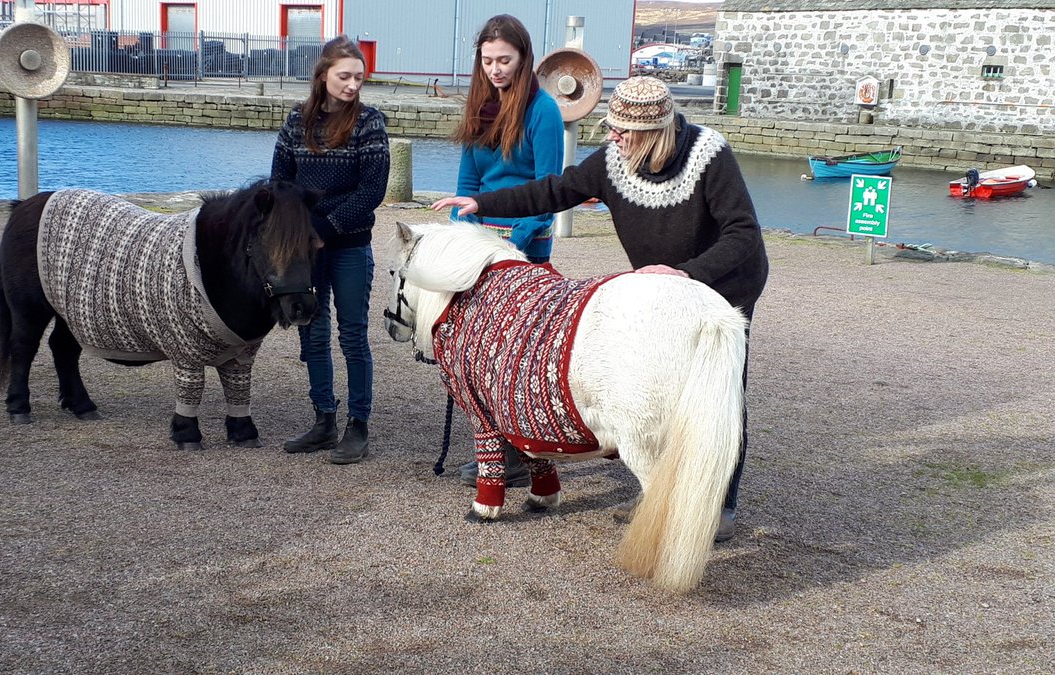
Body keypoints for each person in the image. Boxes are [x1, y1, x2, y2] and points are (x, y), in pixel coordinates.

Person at [432, 76, 768, 542]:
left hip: (724, 286)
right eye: (611, 127)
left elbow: (743, 232)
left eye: (621, 130)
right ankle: (662, 493)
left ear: (651, 132)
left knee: (720, 392)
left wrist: (689, 273)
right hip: (659, 294)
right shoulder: (614, 160)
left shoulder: (710, 155)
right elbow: (554, 190)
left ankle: (721, 506)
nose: (611, 136)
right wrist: (481, 202)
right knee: (659, 392)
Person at [449, 14, 566, 490]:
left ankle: (521, 453)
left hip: (525, 241)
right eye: (488, 60)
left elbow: (548, 191)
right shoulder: (479, 107)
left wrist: (511, 243)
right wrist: (464, 233)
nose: (495, 69)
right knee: (477, 350)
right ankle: (494, 448)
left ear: (523, 58)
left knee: (516, 354)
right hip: (482, 241)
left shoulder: (544, 111)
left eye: (505, 60)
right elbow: (466, 186)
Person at [271, 35, 389, 465]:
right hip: (307, 250)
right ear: (323, 75)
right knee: (312, 332)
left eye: (359, 77)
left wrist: (323, 226)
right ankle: (323, 419)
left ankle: (358, 425)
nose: (353, 84)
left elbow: (372, 189)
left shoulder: (370, 123)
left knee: (353, 335)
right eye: (344, 76)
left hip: (350, 245)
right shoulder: (295, 121)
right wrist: (301, 233)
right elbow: (279, 185)